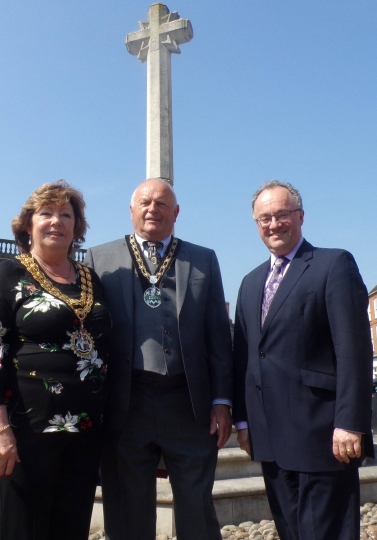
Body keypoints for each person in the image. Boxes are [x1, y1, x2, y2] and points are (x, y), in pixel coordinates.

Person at [84, 179, 233, 540]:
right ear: (132, 211)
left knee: (197, 508)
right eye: (145, 202)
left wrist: (222, 401)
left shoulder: (203, 259)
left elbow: (218, 336)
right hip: (126, 403)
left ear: (176, 212)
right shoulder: (99, 259)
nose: (153, 209)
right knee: (127, 510)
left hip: (187, 403)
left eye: (163, 204)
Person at [0, 181, 111, 539]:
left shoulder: (91, 279)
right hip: (27, 432)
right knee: (24, 529)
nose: (56, 222)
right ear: (28, 224)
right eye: (46, 213)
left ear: (77, 227)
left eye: (66, 215)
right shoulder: (9, 274)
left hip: (86, 433)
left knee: (71, 530)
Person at [233, 181, 374, 540]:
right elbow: (244, 357)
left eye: (281, 214)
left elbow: (354, 350)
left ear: (300, 216)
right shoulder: (250, 283)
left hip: (322, 435)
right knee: (291, 533)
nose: (273, 224)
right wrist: (243, 420)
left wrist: (350, 422)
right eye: (264, 218)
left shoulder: (333, 265)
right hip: (270, 439)